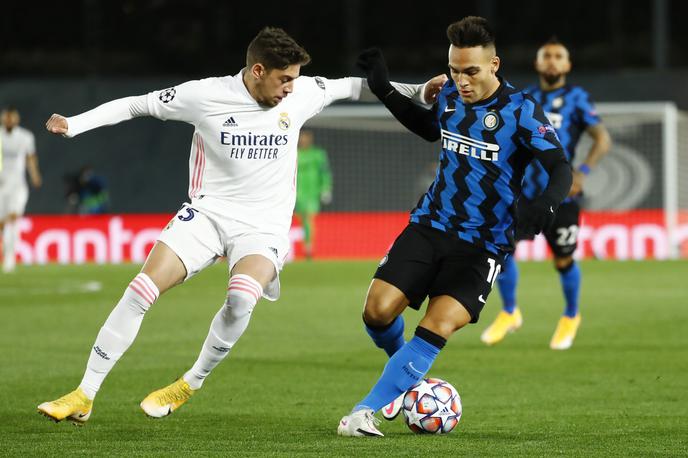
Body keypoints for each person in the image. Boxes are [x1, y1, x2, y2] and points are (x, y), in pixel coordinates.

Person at [36, 26, 445, 425]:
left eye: (295, 79)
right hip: (208, 214)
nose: (291, 88)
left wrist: (418, 92)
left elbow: (356, 87)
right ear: (258, 71)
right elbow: (136, 104)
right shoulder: (205, 95)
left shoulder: (302, 92)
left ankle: (189, 382)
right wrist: (74, 124)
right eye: (284, 79)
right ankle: (84, 394)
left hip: (262, 228)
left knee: (241, 299)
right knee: (141, 289)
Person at [337, 16, 573, 437]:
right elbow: (428, 128)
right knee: (376, 312)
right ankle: (406, 382)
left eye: (471, 71)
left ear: (494, 65)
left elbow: (559, 165)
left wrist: (548, 203)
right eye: (454, 70)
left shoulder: (520, 110)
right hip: (430, 224)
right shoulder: (448, 95)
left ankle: (363, 411)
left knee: (437, 325)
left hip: (483, 244)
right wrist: (384, 88)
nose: (461, 80)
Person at [480, 37, 611, 350]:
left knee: (563, 259)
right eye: (546, 56)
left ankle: (570, 316)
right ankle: (510, 312)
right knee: (502, 250)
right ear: (538, 64)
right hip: (523, 194)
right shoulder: (526, 99)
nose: (552, 61)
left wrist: (583, 172)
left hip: (561, 195)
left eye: (558, 56)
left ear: (567, 65)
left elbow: (602, 139)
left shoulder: (577, 98)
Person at [0, 106, 42, 273]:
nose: (9, 120)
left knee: (14, 217)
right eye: (6, 117)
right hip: (2, 186)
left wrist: (35, 175)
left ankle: (10, 257)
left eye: (12, 117)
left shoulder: (25, 137)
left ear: (16, 119)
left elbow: (30, 158)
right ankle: (6, 249)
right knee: (3, 223)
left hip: (18, 186)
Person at [294, 129, 332, 259]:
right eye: (301, 138)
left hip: (312, 192)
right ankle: (305, 244)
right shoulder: (293, 153)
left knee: (309, 218)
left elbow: (325, 172)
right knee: (302, 219)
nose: (303, 140)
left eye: (305, 137)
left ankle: (309, 247)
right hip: (297, 192)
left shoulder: (318, 154)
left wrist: (326, 188)